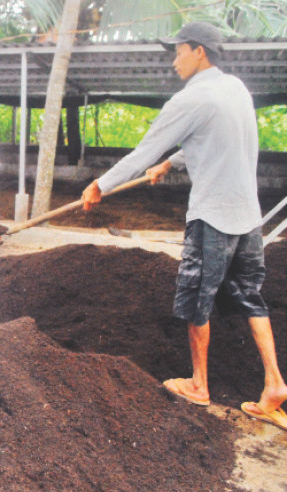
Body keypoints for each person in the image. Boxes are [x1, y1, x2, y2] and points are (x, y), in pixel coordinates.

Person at [81, 22, 287, 430]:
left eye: (178, 51)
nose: (173, 60)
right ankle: (275, 384)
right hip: (248, 218)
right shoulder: (236, 90)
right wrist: (171, 162)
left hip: (212, 217)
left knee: (197, 299)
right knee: (250, 296)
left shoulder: (189, 99)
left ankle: (198, 385)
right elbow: (215, 139)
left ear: (199, 52)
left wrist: (99, 185)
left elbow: (143, 151)